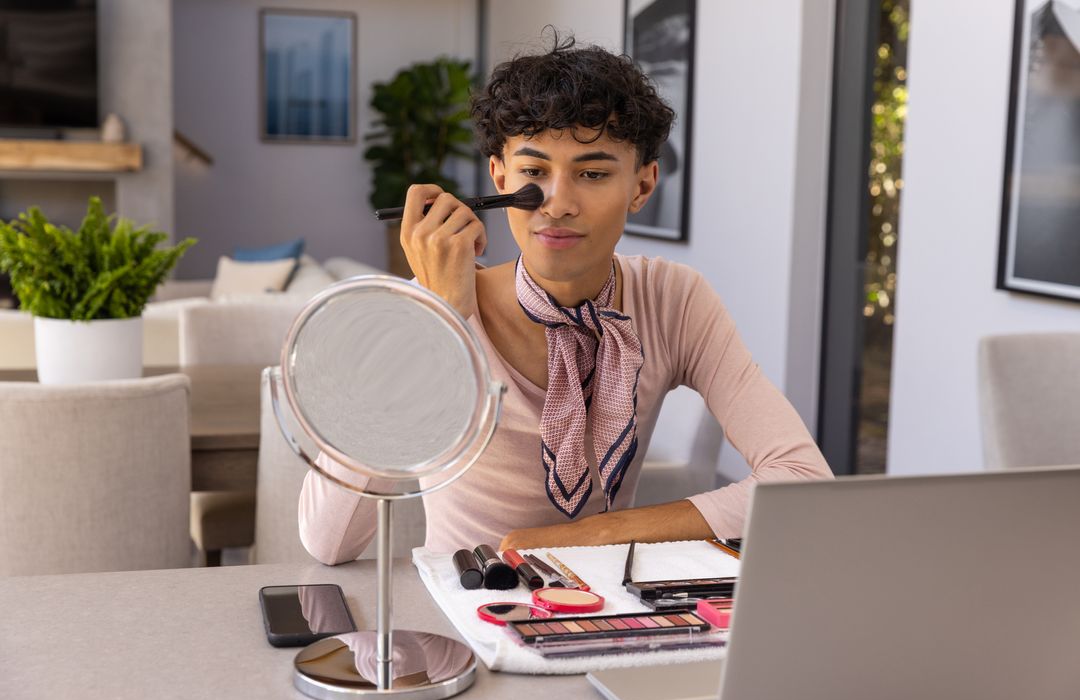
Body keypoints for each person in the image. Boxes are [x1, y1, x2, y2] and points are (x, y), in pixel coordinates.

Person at [299, 34, 831, 564]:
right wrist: (439, 323)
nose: (557, 205)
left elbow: (802, 480)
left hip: (610, 603)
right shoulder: (438, 302)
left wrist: (597, 534)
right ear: (499, 175)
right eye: (534, 173)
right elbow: (328, 541)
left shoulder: (673, 299)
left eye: (593, 174)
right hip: (464, 604)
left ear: (642, 187)